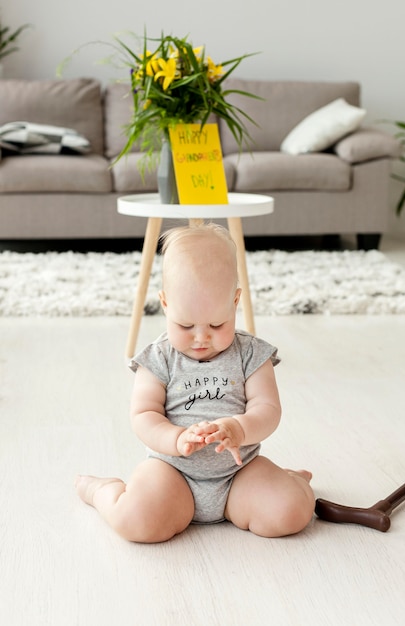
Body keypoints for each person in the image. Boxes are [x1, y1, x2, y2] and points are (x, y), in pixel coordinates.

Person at [76, 223, 315, 542]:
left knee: (291, 511)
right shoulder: (157, 358)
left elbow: (268, 409)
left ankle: (291, 482)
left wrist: (238, 429)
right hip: (172, 473)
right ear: (164, 304)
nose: (201, 337)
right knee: (136, 521)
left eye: (217, 324)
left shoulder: (251, 354)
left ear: (235, 301)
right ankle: (103, 491)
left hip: (239, 474)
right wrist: (176, 438)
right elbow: (144, 416)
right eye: (185, 324)